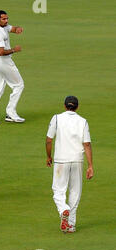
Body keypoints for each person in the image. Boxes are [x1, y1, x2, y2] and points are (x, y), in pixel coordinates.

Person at [46, 96, 93, 233]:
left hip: (61, 160)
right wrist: (90, 166)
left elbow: (49, 140)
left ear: (65, 106)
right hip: (77, 160)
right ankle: (70, 224)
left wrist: (48, 156)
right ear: (77, 107)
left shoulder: (56, 118)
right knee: (75, 192)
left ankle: (63, 209)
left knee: (58, 190)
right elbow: (87, 144)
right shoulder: (83, 121)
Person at [0, 10, 25, 124]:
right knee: (19, 85)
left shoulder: (2, 27)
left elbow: (11, 28)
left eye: (7, 18)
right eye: (3, 19)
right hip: (3, 61)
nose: (6, 21)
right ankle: (11, 113)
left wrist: (17, 29)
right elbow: (1, 51)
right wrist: (14, 50)